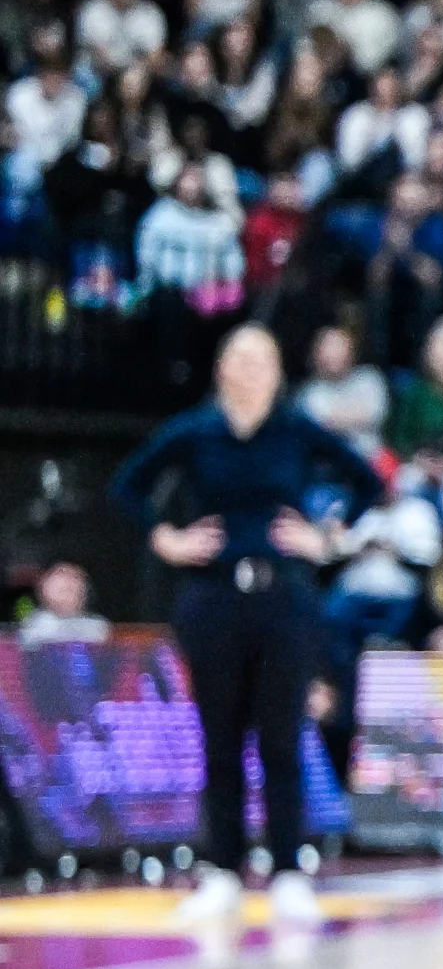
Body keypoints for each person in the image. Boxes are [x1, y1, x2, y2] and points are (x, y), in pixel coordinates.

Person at [110, 326, 382, 911]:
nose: (250, 368)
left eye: (262, 358)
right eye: (239, 357)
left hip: (284, 597)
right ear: (221, 369)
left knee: (282, 737)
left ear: (279, 370)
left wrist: (327, 539)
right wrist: (167, 539)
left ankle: (287, 870)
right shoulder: (195, 430)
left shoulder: (296, 429)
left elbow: (368, 481)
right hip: (212, 599)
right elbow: (127, 486)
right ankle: (222, 871)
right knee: (220, 739)